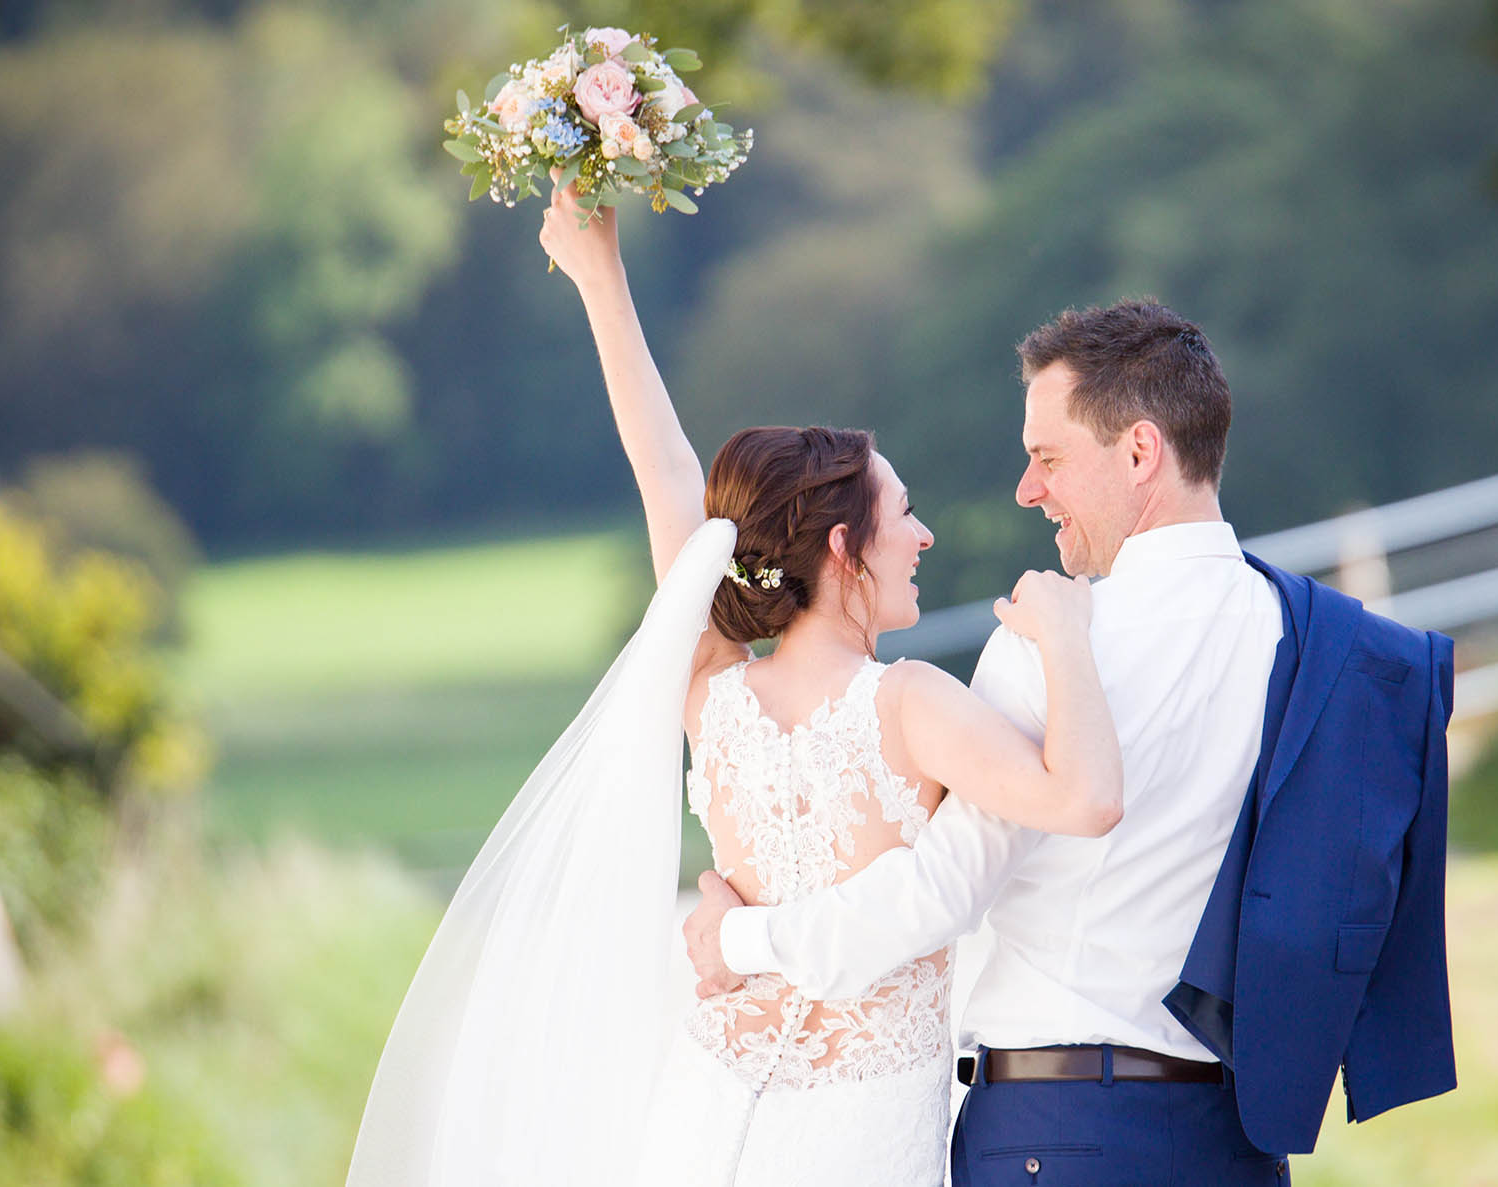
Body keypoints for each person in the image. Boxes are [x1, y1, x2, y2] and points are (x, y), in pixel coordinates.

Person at [344, 184, 1130, 1186]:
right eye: (904, 514)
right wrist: (1067, 640)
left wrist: (601, 281)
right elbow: (1086, 798)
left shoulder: (713, 698)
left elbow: (669, 482)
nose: (924, 536)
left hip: (706, 1110)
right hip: (858, 1132)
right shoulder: (909, 704)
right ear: (843, 546)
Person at [682, 296, 1461, 1183]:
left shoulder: (1043, 642)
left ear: (1140, 451)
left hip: (1050, 1137)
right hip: (1236, 1144)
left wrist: (740, 939)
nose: (1028, 489)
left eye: (1048, 458)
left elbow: (938, 891)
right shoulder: (1332, 649)